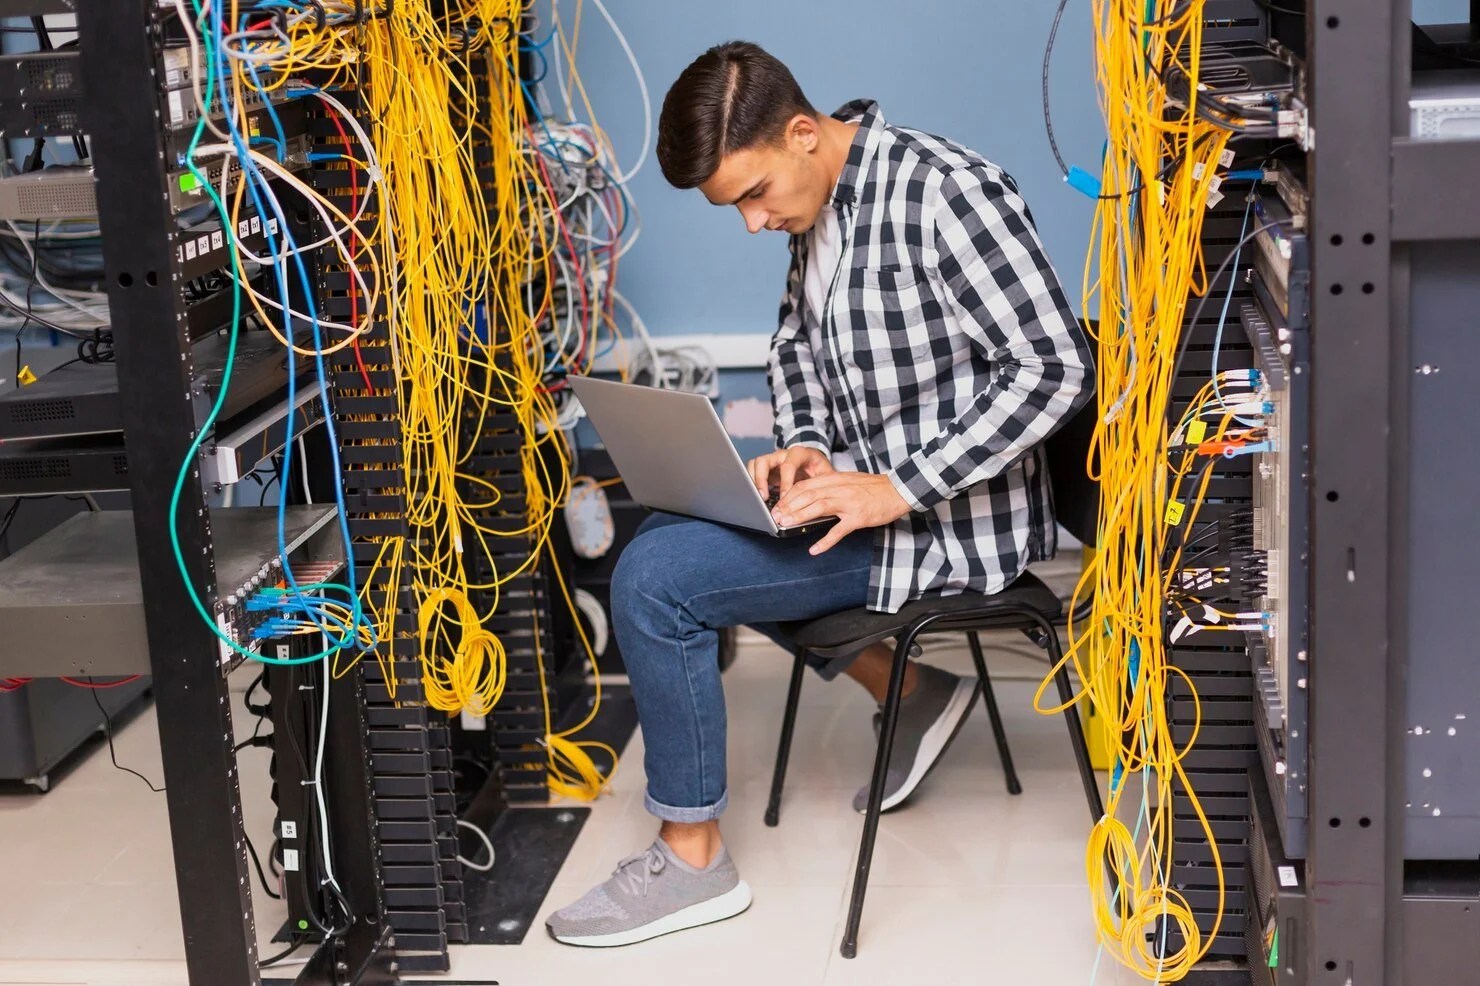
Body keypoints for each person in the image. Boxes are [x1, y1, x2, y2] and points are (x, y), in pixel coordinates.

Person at [547, 40, 1093, 947]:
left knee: (653, 578)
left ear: (804, 133)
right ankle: (915, 692)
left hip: (945, 521)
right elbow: (796, 347)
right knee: (717, 520)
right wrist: (803, 444)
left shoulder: (945, 195)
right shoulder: (823, 206)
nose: (753, 224)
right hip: (863, 493)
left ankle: (691, 861)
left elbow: (1056, 366)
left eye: (753, 196)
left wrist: (894, 487)